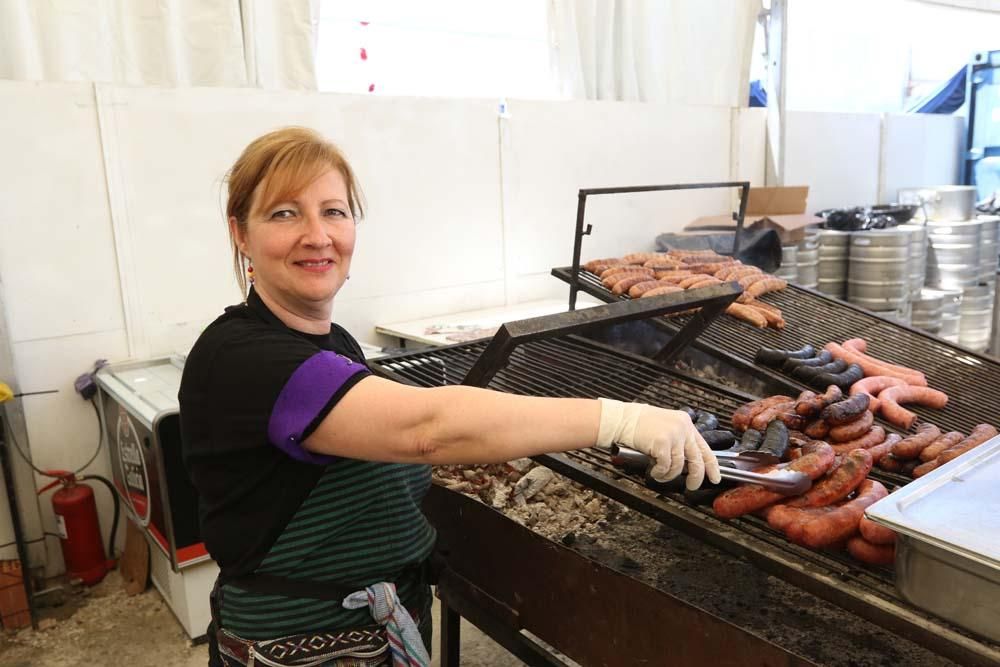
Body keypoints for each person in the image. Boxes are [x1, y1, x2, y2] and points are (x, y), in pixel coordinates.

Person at [179, 127, 721, 667]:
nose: (318, 235)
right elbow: (426, 429)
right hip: (300, 649)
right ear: (240, 234)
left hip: (375, 634)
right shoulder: (240, 357)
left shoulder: (335, 345)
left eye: (334, 211)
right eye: (284, 213)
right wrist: (620, 420)